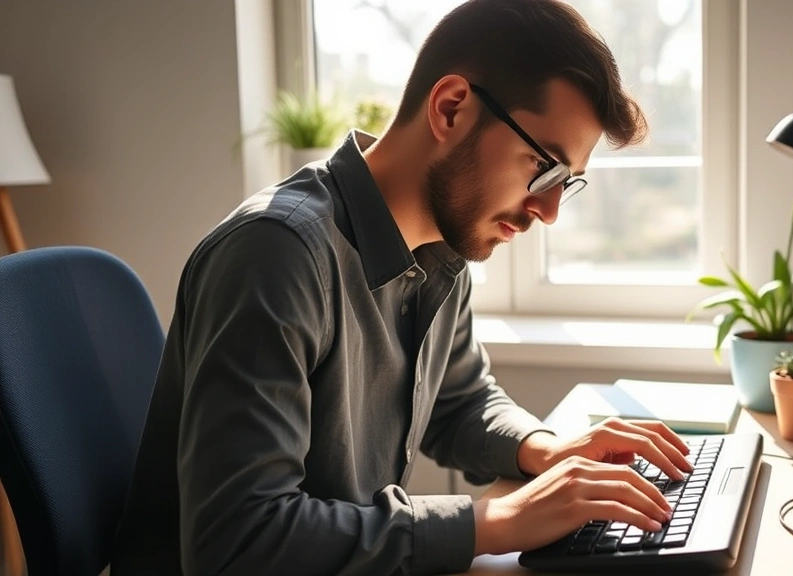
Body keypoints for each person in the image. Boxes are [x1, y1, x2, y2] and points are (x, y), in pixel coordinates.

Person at [110, 1, 694, 574]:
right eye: (543, 168)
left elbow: (458, 401)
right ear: (451, 108)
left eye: (567, 185)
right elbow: (240, 542)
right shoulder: (276, 253)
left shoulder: (442, 248)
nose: (548, 211)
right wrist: (498, 520)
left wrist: (546, 447)